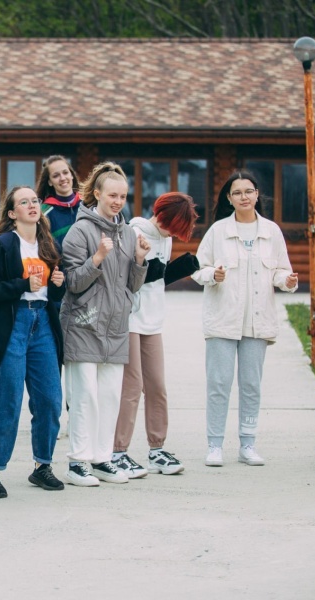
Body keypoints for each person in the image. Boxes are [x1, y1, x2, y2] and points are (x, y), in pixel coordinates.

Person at [192, 170, 298, 468]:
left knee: (251, 385)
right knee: (219, 384)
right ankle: (214, 446)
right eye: (237, 193)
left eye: (248, 191)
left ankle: (248, 444)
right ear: (229, 198)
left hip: (257, 322)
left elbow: (280, 271)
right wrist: (213, 275)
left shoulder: (271, 231)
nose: (244, 197)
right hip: (222, 320)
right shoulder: (217, 232)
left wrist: (287, 280)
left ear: (257, 194)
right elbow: (198, 269)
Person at [60, 162, 149, 486]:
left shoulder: (128, 233)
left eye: (122, 197)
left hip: (116, 327)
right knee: (85, 397)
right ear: (96, 194)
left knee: (110, 396)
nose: (117, 202)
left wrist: (139, 259)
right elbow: (72, 282)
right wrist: (96, 257)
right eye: (112, 195)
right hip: (84, 325)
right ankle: (77, 462)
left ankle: (101, 459)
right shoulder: (80, 231)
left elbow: (132, 286)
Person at [0, 186, 67, 498]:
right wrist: (23, 284)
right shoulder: (2, 244)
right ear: (13, 213)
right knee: (8, 400)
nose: (32, 205)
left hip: (43, 324)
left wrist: (58, 283)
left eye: (35, 201)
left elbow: (54, 293)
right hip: (13, 324)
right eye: (24, 202)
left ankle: (43, 466)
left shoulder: (48, 244)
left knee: (50, 398)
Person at [113, 192, 200, 478]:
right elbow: (125, 279)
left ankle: (157, 449)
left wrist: (179, 269)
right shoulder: (134, 232)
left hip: (153, 320)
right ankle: (117, 451)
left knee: (157, 386)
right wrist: (149, 269)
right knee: (132, 387)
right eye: (170, 227)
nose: (171, 233)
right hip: (129, 319)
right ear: (159, 215)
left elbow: (158, 279)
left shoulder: (167, 238)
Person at [36, 155, 82, 246]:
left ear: (71, 175)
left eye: (65, 172)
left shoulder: (88, 205)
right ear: (50, 182)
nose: (62, 178)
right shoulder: (43, 213)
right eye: (56, 175)